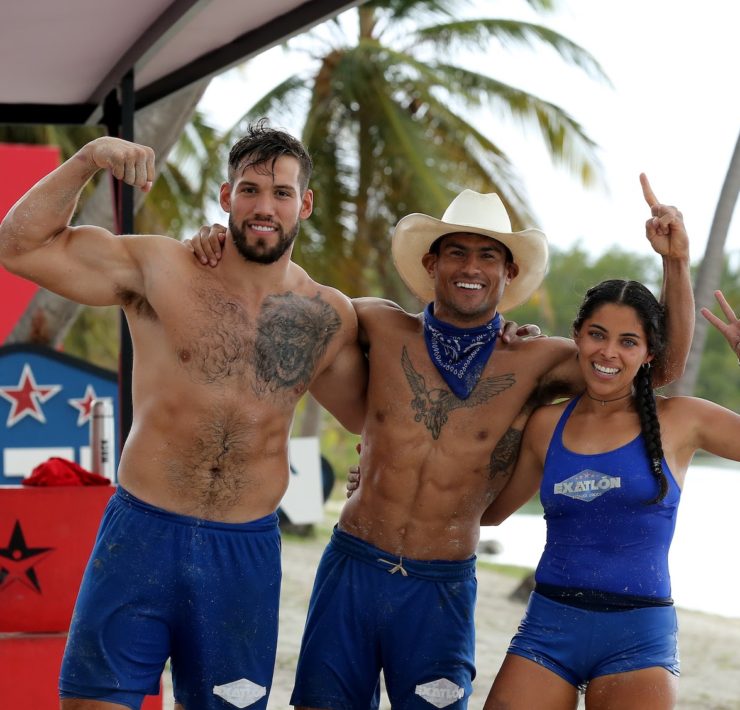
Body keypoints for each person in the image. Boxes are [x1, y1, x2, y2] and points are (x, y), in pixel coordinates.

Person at [190, 174, 694, 708]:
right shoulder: (379, 324)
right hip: (353, 567)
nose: (471, 268)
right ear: (431, 264)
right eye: (456, 252)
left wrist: (676, 261)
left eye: (487, 256)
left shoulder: (535, 360)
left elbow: (657, 367)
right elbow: (285, 304)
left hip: (442, 584)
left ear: (508, 272)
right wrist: (225, 244)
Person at [0, 122, 367, 710]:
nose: (264, 207)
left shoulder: (328, 315)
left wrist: (501, 345)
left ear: (305, 204)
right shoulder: (161, 268)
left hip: (242, 555)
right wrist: (88, 158)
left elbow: (374, 415)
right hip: (142, 535)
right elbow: (18, 245)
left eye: (281, 193)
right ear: (226, 197)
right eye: (249, 190)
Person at [479, 282, 740, 710]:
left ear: (649, 353)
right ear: (577, 336)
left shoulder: (682, 418)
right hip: (548, 627)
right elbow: (490, 512)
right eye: (597, 334)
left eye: (628, 341)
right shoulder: (545, 425)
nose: (609, 352)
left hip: (638, 637)